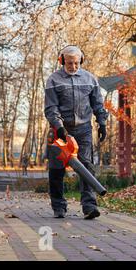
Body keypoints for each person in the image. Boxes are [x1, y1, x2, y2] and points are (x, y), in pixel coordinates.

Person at [44, 45, 108, 220]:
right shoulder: (53, 80)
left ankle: (89, 206)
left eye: (76, 63)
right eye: (70, 63)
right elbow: (51, 108)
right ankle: (58, 206)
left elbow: (97, 104)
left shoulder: (90, 79)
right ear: (62, 61)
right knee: (57, 169)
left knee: (86, 165)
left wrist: (101, 123)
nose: (73, 66)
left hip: (84, 129)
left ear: (81, 61)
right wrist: (60, 127)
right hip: (60, 131)